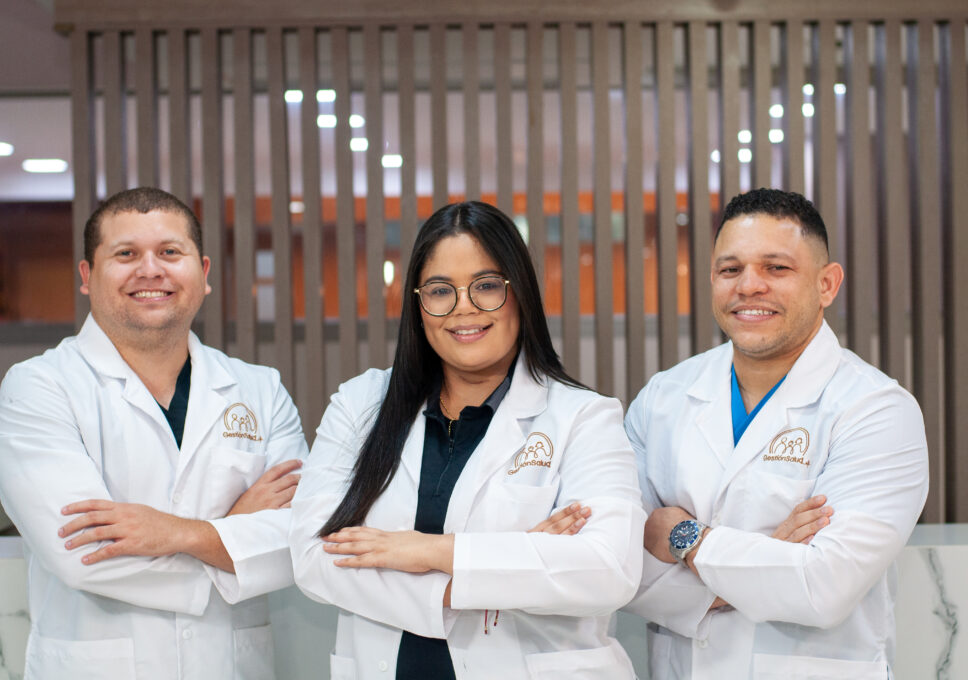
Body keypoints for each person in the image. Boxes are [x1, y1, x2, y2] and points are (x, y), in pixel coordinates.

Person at [289, 201, 645, 679]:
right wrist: (505, 564)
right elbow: (314, 557)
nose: (464, 307)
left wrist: (425, 551)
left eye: (486, 285)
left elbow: (606, 570)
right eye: (440, 290)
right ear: (418, 305)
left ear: (520, 293)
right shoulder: (360, 405)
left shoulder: (583, 417)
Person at [0, 187, 307, 680]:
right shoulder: (38, 388)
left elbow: (298, 542)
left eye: (170, 252)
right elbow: (85, 555)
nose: (151, 270)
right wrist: (233, 537)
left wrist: (177, 533)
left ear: (203, 274)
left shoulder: (260, 390)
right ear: (87, 276)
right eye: (126, 254)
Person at [623, 188, 928, 679]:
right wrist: (766, 561)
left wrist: (685, 538)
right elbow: (618, 565)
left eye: (776, 268)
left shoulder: (876, 410)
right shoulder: (663, 397)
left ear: (826, 284)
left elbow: (823, 588)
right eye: (730, 269)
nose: (749, 286)